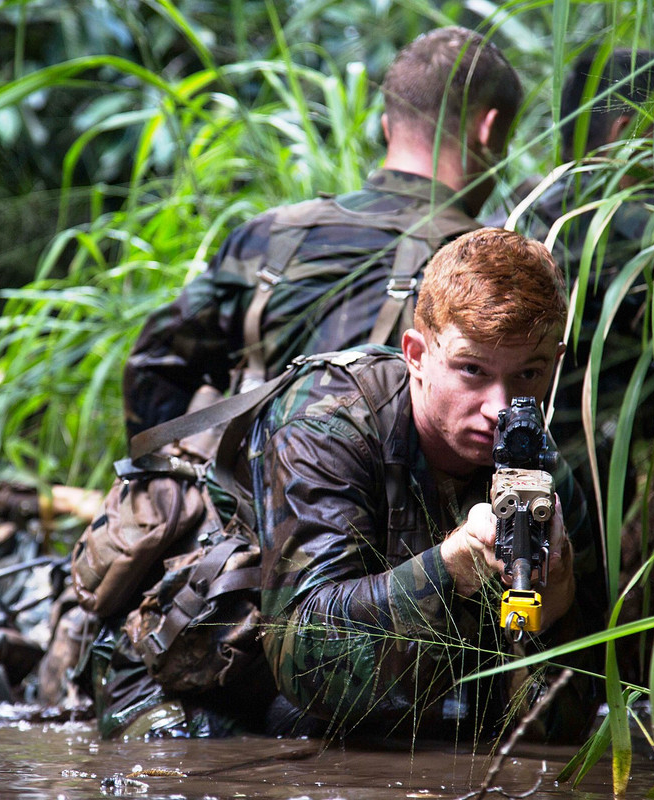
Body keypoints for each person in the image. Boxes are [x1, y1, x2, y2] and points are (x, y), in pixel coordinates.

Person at [86, 228, 607, 742]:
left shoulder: (538, 476)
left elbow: (566, 723)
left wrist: (554, 609)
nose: (499, 407)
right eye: (471, 369)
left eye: (527, 375)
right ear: (416, 355)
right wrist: (451, 568)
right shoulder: (327, 426)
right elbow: (306, 663)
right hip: (192, 685)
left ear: (555, 363)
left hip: (363, 705)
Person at [122, 26, 523, 438]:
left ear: (388, 126)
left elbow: (154, 363)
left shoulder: (269, 236)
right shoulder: (485, 266)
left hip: (252, 478)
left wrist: (185, 468)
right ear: (488, 129)